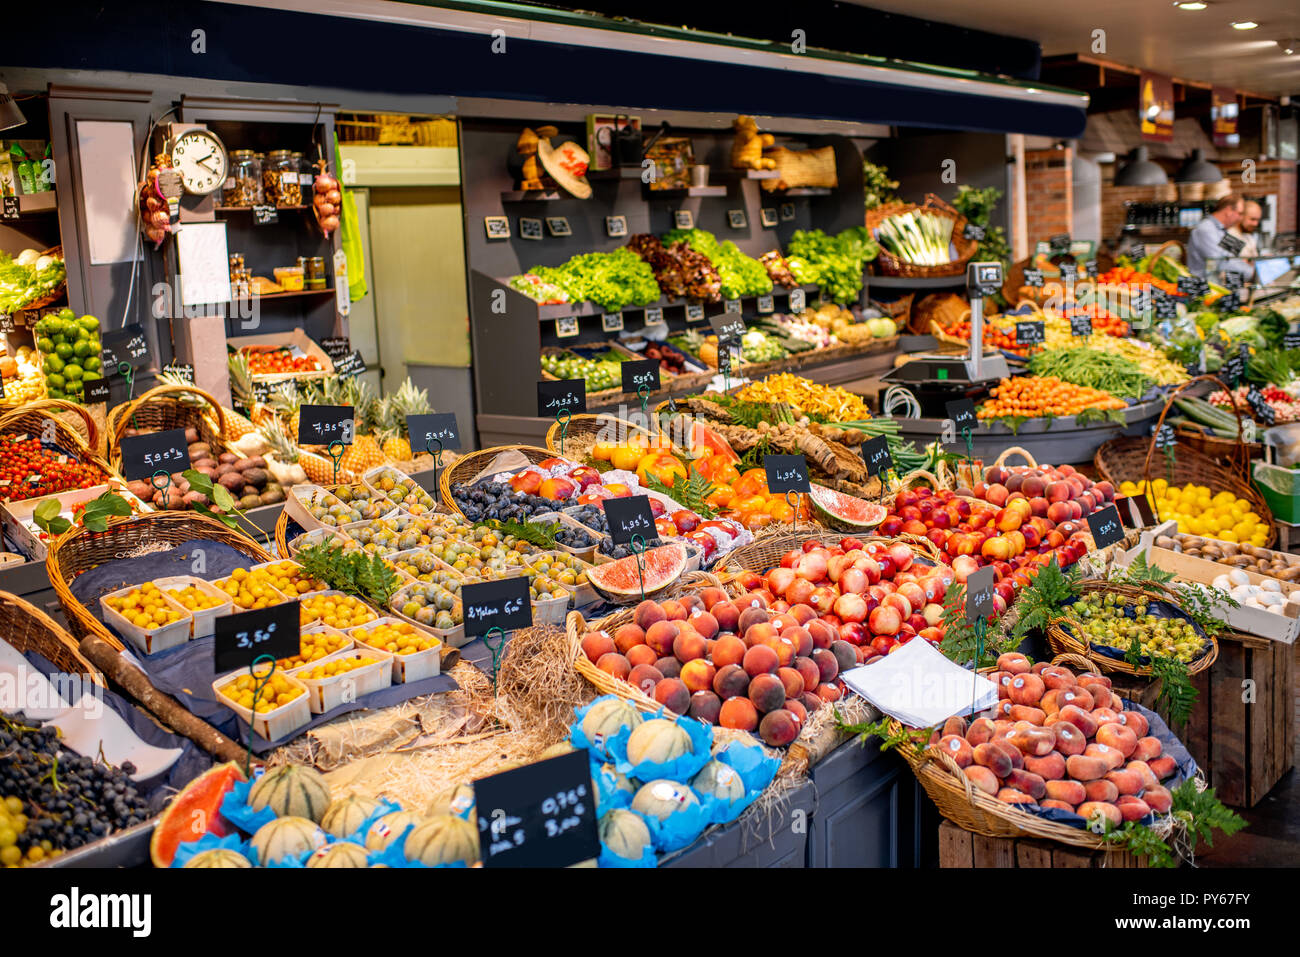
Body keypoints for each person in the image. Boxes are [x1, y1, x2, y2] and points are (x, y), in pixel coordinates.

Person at [1187, 194, 1252, 283]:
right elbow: (1218, 263)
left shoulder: (1222, 230)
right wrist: (1251, 272)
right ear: (1229, 210)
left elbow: (1240, 253)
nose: (1240, 218)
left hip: (1220, 287)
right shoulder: (1206, 229)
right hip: (1205, 289)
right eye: (1239, 213)